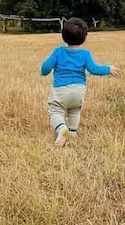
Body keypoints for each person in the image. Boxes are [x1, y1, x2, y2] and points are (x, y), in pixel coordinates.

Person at [40, 16, 119, 145]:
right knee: (74, 110)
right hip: (79, 91)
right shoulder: (85, 54)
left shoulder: (58, 52)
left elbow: (46, 67)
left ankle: (61, 128)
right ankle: (72, 132)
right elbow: (94, 69)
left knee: (55, 111)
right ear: (84, 38)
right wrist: (108, 69)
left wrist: (43, 72)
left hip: (61, 90)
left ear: (63, 36)